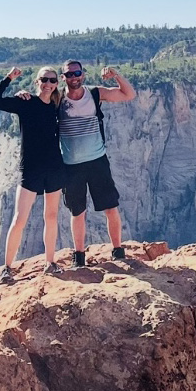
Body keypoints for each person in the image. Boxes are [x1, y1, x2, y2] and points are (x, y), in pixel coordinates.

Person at [0, 66, 64, 281]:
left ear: (57, 84)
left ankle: (50, 263)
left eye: (52, 80)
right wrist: (9, 78)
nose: (48, 84)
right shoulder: (26, 103)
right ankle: (7, 267)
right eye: (44, 80)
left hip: (54, 168)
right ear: (37, 82)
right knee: (19, 219)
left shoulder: (57, 107)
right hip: (30, 169)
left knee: (51, 216)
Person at [59, 60, 136, 267]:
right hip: (71, 165)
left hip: (97, 162)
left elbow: (129, 94)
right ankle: (79, 257)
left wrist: (116, 74)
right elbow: (36, 103)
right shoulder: (56, 98)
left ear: (82, 74)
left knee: (111, 206)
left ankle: (118, 251)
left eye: (76, 73)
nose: (73, 77)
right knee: (77, 212)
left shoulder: (95, 93)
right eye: (69, 74)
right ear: (63, 78)